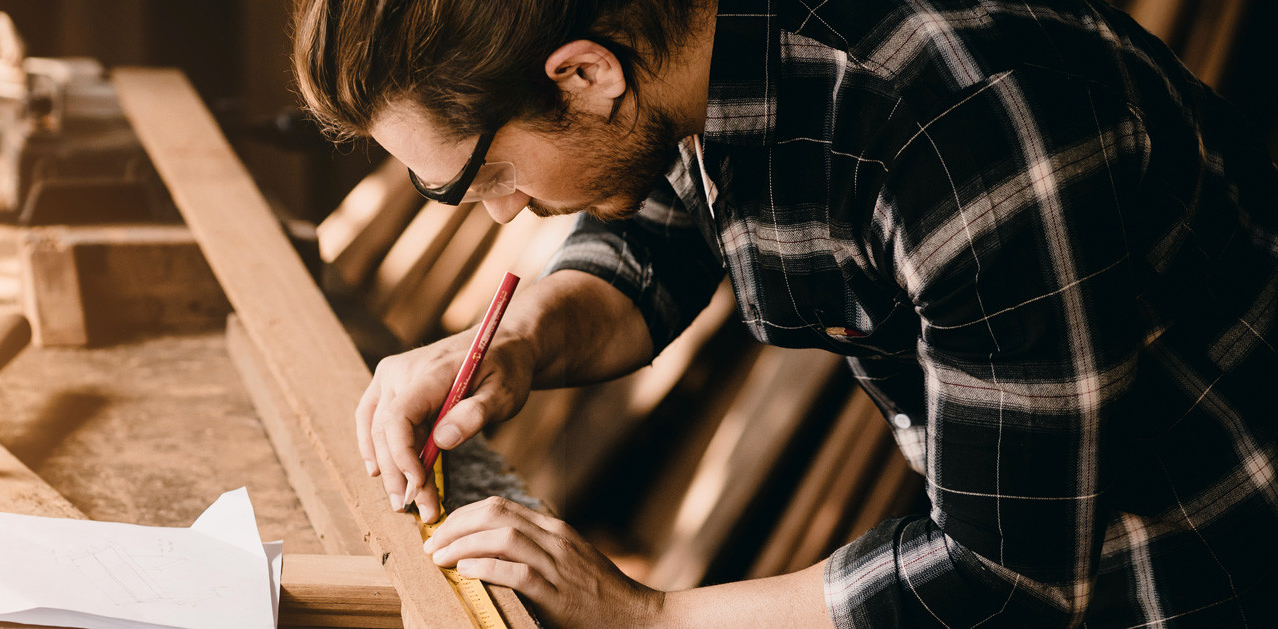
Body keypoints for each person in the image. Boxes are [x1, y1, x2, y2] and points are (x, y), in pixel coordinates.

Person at [294, 0, 1278, 626]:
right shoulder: (694, 47)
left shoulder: (958, 130)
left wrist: (644, 615)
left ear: (583, 73)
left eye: (483, 176)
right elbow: (667, 227)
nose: (500, 211)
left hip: (1208, 568)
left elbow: (1002, 577)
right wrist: (515, 338)